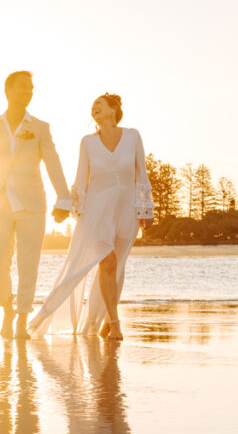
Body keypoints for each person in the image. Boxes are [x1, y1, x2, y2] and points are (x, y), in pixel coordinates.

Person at [28, 93, 154, 340]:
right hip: (97, 211)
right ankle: (116, 324)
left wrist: (146, 208)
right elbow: (80, 179)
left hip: (126, 209)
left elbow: (142, 173)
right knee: (106, 263)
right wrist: (69, 206)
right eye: (92, 107)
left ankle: (105, 319)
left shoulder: (132, 136)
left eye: (99, 105)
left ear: (113, 109)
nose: (94, 109)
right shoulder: (87, 142)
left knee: (117, 267)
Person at [0, 71, 73, 339]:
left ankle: (22, 317)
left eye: (31, 88)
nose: (28, 92)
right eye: (23, 87)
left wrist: (63, 198)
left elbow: (53, 162)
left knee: (28, 263)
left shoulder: (40, 127)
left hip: (32, 204)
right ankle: (7, 308)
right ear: (8, 90)